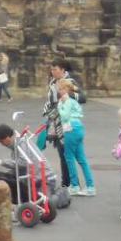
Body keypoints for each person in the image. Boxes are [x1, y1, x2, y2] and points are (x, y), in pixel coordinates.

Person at [44, 59, 80, 191]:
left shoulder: (70, 82)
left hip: (68, 121)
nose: (52, 72)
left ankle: (71, 182)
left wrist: (67, 95)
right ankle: (66, 182)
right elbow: (51, 101)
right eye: (52, 69)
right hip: (56, 120)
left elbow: (82, 97)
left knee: (67, 153)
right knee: (62, 153)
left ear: (63, 70)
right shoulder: (52, 82)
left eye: (55, 69)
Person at [57, 78, 94, 196]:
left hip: (70, 128)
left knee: (69, 157)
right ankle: (90, 186)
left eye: (60, 89)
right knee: (82, 159)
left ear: (66, 89)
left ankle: (74, 185)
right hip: (78, 127)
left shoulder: (66, 101)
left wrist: (60, 106)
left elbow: (64, 116)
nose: (59, 91)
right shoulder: (74, 101)